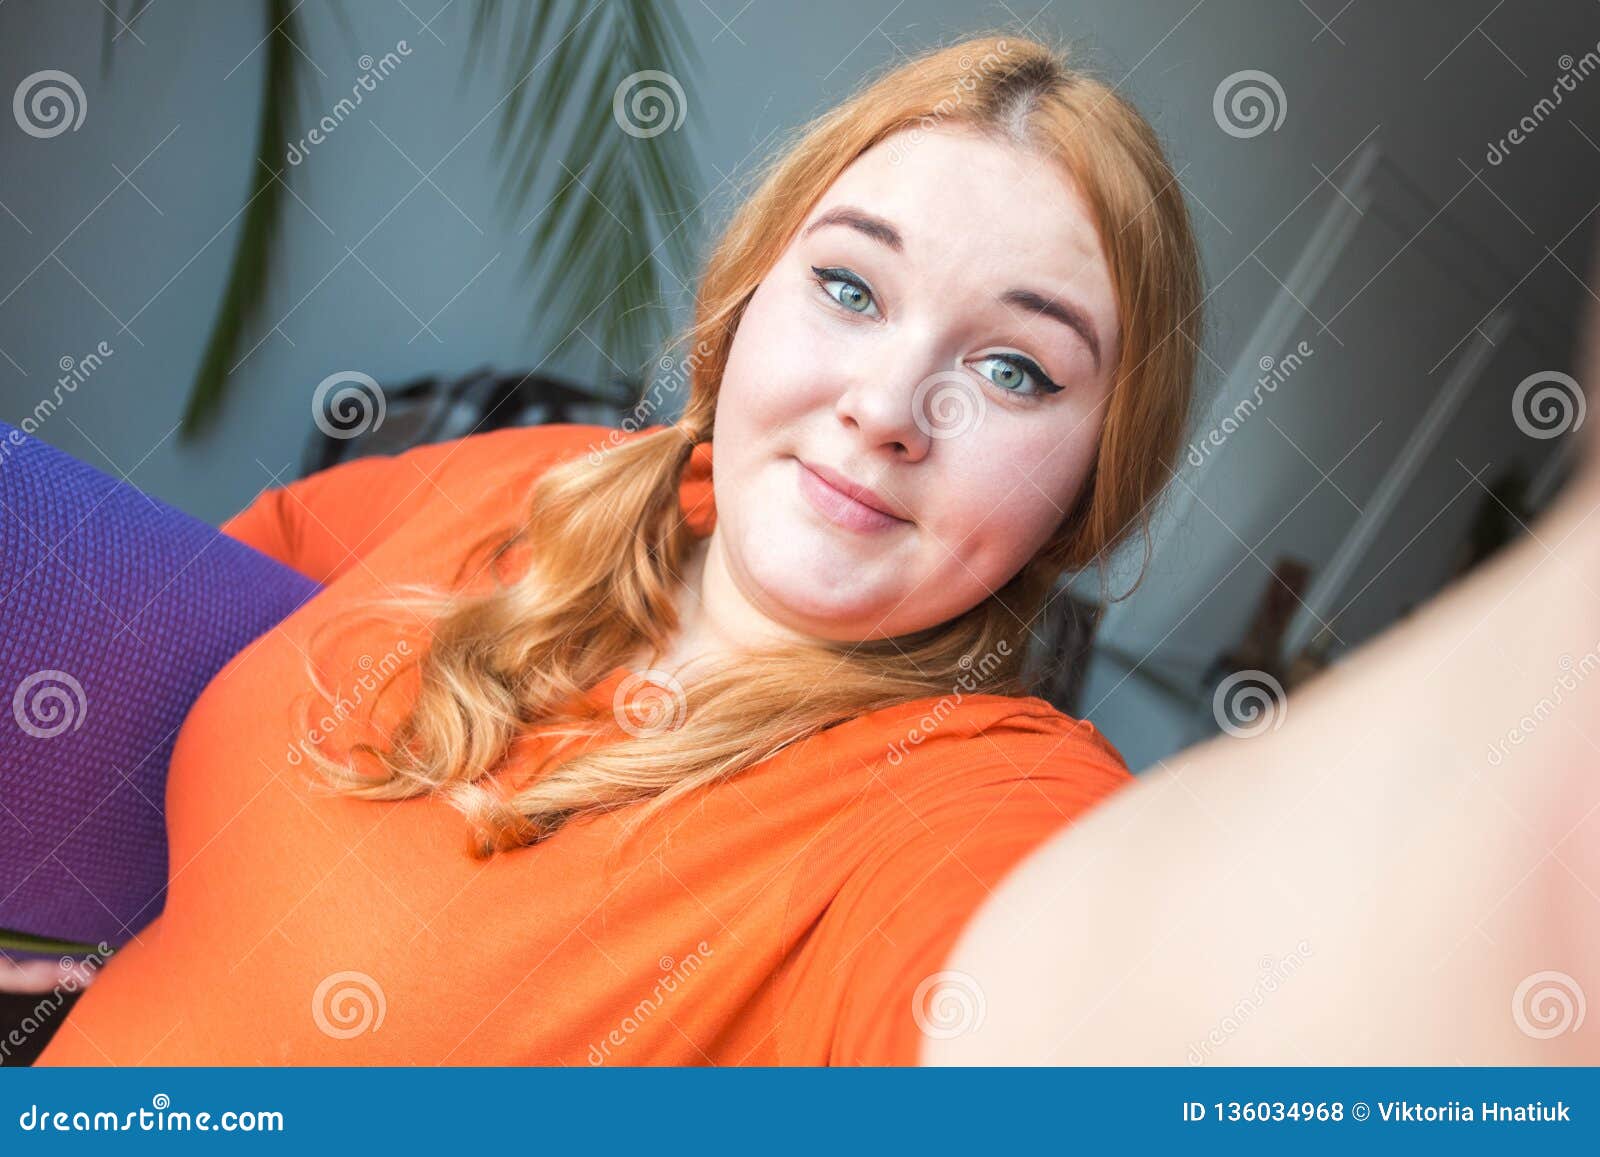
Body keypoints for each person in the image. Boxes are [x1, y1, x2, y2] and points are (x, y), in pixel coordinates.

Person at [17, 32, 1600, 1066]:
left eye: (1016, 368)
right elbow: (156, 673)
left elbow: (1115, 1018)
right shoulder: (551, 481)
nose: (886, 406)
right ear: (749, 300)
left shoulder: (974, 800)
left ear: (1089, 485)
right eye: (851, 287)